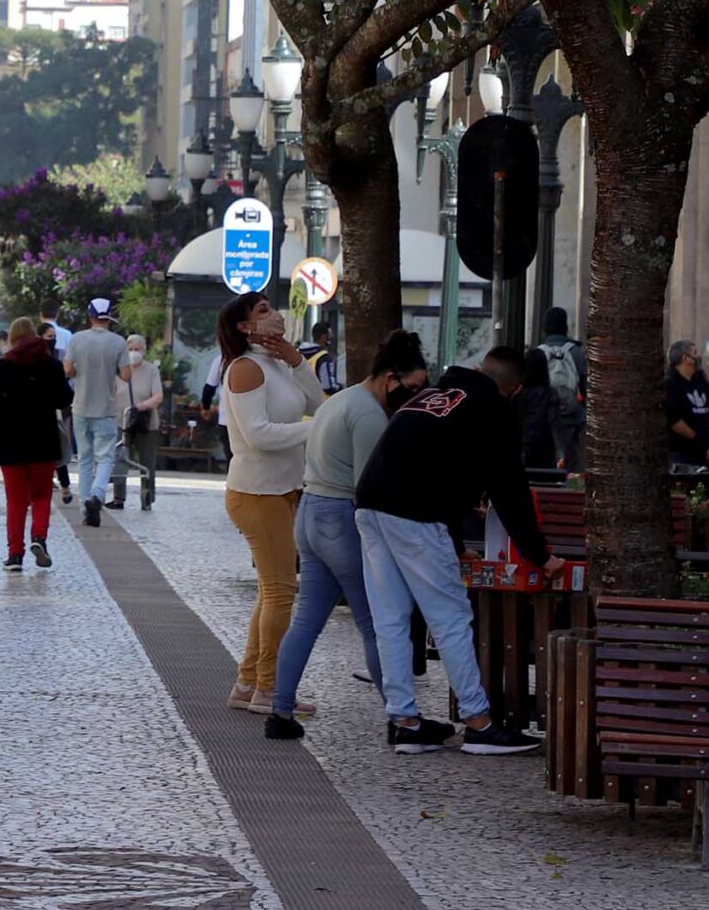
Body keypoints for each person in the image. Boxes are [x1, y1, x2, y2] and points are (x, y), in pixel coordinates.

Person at [352, 346, 552, 755]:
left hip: (370, 504)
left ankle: (405, 721)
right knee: (451, 617)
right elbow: (509, 490)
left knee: (391, 617)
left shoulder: (431, 396)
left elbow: (443, 472)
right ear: (511, 388)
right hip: (414, 511)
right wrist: (542, 556)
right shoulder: (490, 407)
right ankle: (479, 723)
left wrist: (456, 545)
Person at [263, 329, 424, 740]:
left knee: (306, 620)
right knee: (374, 622)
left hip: (311, 515)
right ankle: (401, 717)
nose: (414, 396)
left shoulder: (343, 400)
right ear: (391, 377)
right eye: (412, 387)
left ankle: (280, 711)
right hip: (339, 519)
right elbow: (371, 485)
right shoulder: (369, 415)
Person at [218, 292, 323, 714]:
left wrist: (297, 361)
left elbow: (318, 403)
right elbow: (258, 435)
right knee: (281, 591)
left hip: (282, 488)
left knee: (271, 591)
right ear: (245, 327)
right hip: (256, 491)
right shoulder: (244, 369)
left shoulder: (277, 363)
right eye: (263, 310)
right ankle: (269, 689)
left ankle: (248, 683)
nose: (274, 313)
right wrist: (312, 431)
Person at [0, 317, 70, 570]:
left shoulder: (0, 368)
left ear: (11, 338)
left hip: (10, 445)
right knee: (41, 496)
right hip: (43, 442)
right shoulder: (51, 365)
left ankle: (15, 555)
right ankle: (39, 537)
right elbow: (64, 399)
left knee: (16, 501)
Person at [67, 298, 128, 525]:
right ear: (108, 317)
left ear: (90, 316)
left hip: (81, 406)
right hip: (105, 409)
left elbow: (68, 370)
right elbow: (126, 375)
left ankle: (85, 505)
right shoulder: (118, 342)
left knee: (85, 459)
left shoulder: (77, 339)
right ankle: (98, 495)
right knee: (105, 458)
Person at [111, 333, 163, 511]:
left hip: (146, 422)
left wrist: (141, 406)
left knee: (147, 461)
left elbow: (158, 396)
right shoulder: (119, 370)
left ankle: (147, 496)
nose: (134, 353)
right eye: (131, 349)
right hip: (121, 420)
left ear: (144, 350)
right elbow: (111, 393)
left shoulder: (151, 370)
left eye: (137, 349)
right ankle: (118, 497)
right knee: (120, 458)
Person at [539, 306, 586, 468]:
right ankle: (570, 484)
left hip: (545, 418)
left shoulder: (538, 353)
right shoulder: (576, 352)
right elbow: (585, 386)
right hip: (572, 415)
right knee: (572, 459)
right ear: (565, 326)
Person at [663, 341, 709, 474]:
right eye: (694, 353)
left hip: (704, 452)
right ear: (685, 358)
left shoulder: (700, 379)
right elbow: (673, 419)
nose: (698, 356)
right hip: (681, 452)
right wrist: (698, 439)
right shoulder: (670, 383)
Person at [510, 346, 562, 472]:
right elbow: (554, 422)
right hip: (545, 449)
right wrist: (562, 452)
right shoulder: (550, 394)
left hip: (522, 449)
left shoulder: (518, 395)